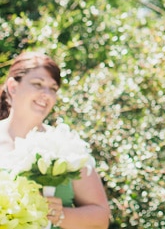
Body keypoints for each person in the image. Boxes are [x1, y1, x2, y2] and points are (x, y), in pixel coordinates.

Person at [0, 51, 111, 229]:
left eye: (53, 89)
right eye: (37, 84)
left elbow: (101, 218)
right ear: (13, 87)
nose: (47, 94)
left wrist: (61, 216)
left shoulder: (66, 146)